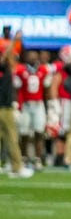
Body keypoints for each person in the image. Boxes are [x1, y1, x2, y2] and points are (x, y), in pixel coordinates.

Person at [1, 33, 32, 178]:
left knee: (5, 137)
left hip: (5, 105)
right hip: (3, 107)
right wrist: (14, 41)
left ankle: (10, 164)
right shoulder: (3, 65)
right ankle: (17, 167)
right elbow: (5, 55)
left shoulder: (7, 68)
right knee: (12, 137)